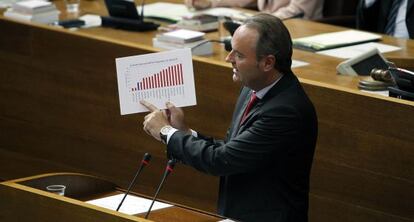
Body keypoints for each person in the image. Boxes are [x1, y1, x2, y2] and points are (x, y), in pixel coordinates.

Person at [141, 14, 318, 222]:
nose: (228, 58)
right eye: (231, 49)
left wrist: (166, 132)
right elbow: (233, 148)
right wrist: (185, 132)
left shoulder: (285, 111)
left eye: (239, 55)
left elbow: (221, 160)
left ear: (268, 63)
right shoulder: (252, 88)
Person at [184, 0, 324, 20]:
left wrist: (258, 21)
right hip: (266, 28)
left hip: (299, 29)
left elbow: (296, 11)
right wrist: (208, 2)